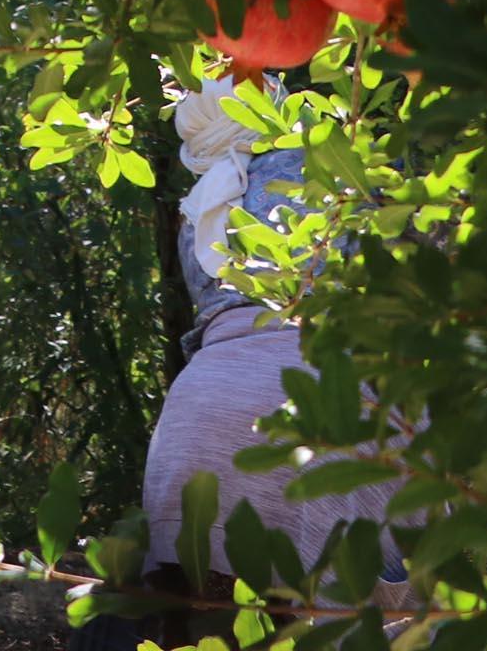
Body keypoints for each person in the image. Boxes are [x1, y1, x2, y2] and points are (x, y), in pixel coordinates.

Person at [69, 77, 411, 650]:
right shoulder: (349, 166)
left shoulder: (204, 202)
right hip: (333, 391)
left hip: (203, 405)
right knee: (357, 619)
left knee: (187, 605)